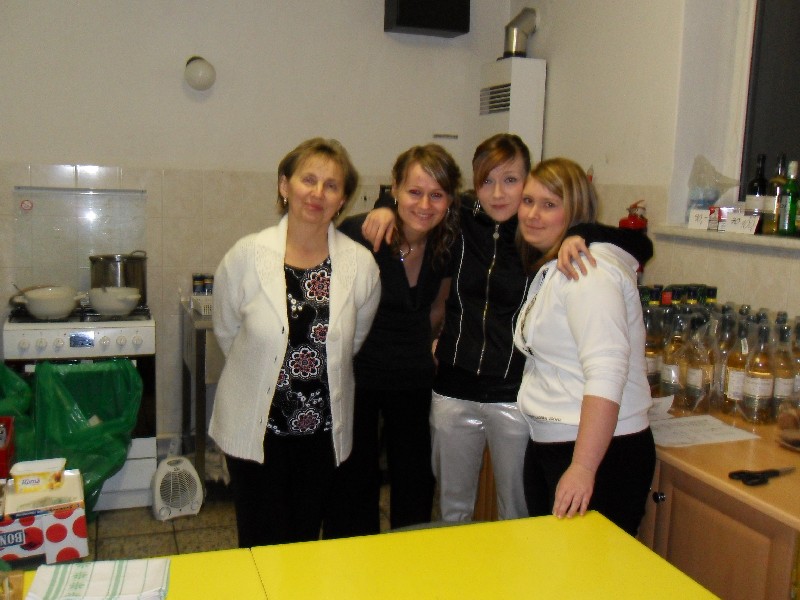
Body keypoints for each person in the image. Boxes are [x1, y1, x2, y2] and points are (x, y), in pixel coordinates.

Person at [362, 133, 653, 523]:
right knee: (451, 511)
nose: (498, 193)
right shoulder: (460, 217)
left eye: (512, 181)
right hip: (453, 385)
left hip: (514, 394)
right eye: (487, 180)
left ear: (527, 181)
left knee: (518, 514)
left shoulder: (538, 232)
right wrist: (385, 206)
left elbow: (638, 246)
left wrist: (583, 233)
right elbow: (420, 197)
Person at [209, 137, 381, 547]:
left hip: (321, 435)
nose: (318, 193)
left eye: (331, 185)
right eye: (308, 179)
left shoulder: (360, 265)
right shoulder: (246, 255)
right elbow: (227, 331)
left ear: (342, 199)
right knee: (259, 544)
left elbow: (351, 342)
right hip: (257, 433)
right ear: (284, 185)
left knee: (304, 544)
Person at [514, 157, 655, 536]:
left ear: (576, 212)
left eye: (549, 204)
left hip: (598, 452)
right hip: (557, 443)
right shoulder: (559, 266)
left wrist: (582, 467)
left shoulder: (588, 272)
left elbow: (606, 373)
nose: (532, 214)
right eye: (528, 201)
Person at [326, 144, 460, 536]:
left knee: (415, 483)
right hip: (358, 375)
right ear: (395, 188)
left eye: (437, 195)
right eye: (414, 192)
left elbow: (438, 307)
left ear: (450, 199)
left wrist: (424, 345)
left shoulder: (447, 243)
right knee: (354, 481)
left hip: (414, 377)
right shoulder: (359, 233)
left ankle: (407, 562)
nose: (425, 205)